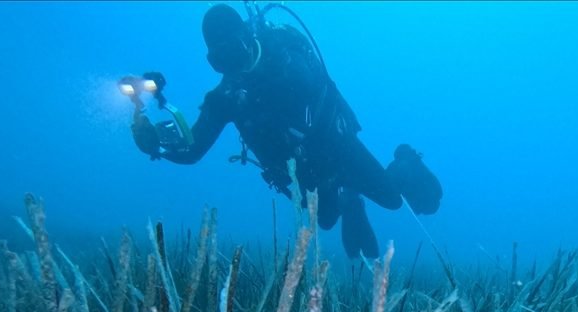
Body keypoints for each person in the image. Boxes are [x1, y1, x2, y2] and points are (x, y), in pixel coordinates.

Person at [129, 3, 441, 259]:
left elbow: (310, 86)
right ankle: (350, 200)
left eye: (234, 51)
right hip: (300, 172)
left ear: (247, 37)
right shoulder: (225, 98)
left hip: (339, 148)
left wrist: (259, 86)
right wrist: (156, 142)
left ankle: (405, 161)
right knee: (327, 220)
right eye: (219, 60)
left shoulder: (282, 53)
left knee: (392, 199)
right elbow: (193, 148)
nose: (231, 65)